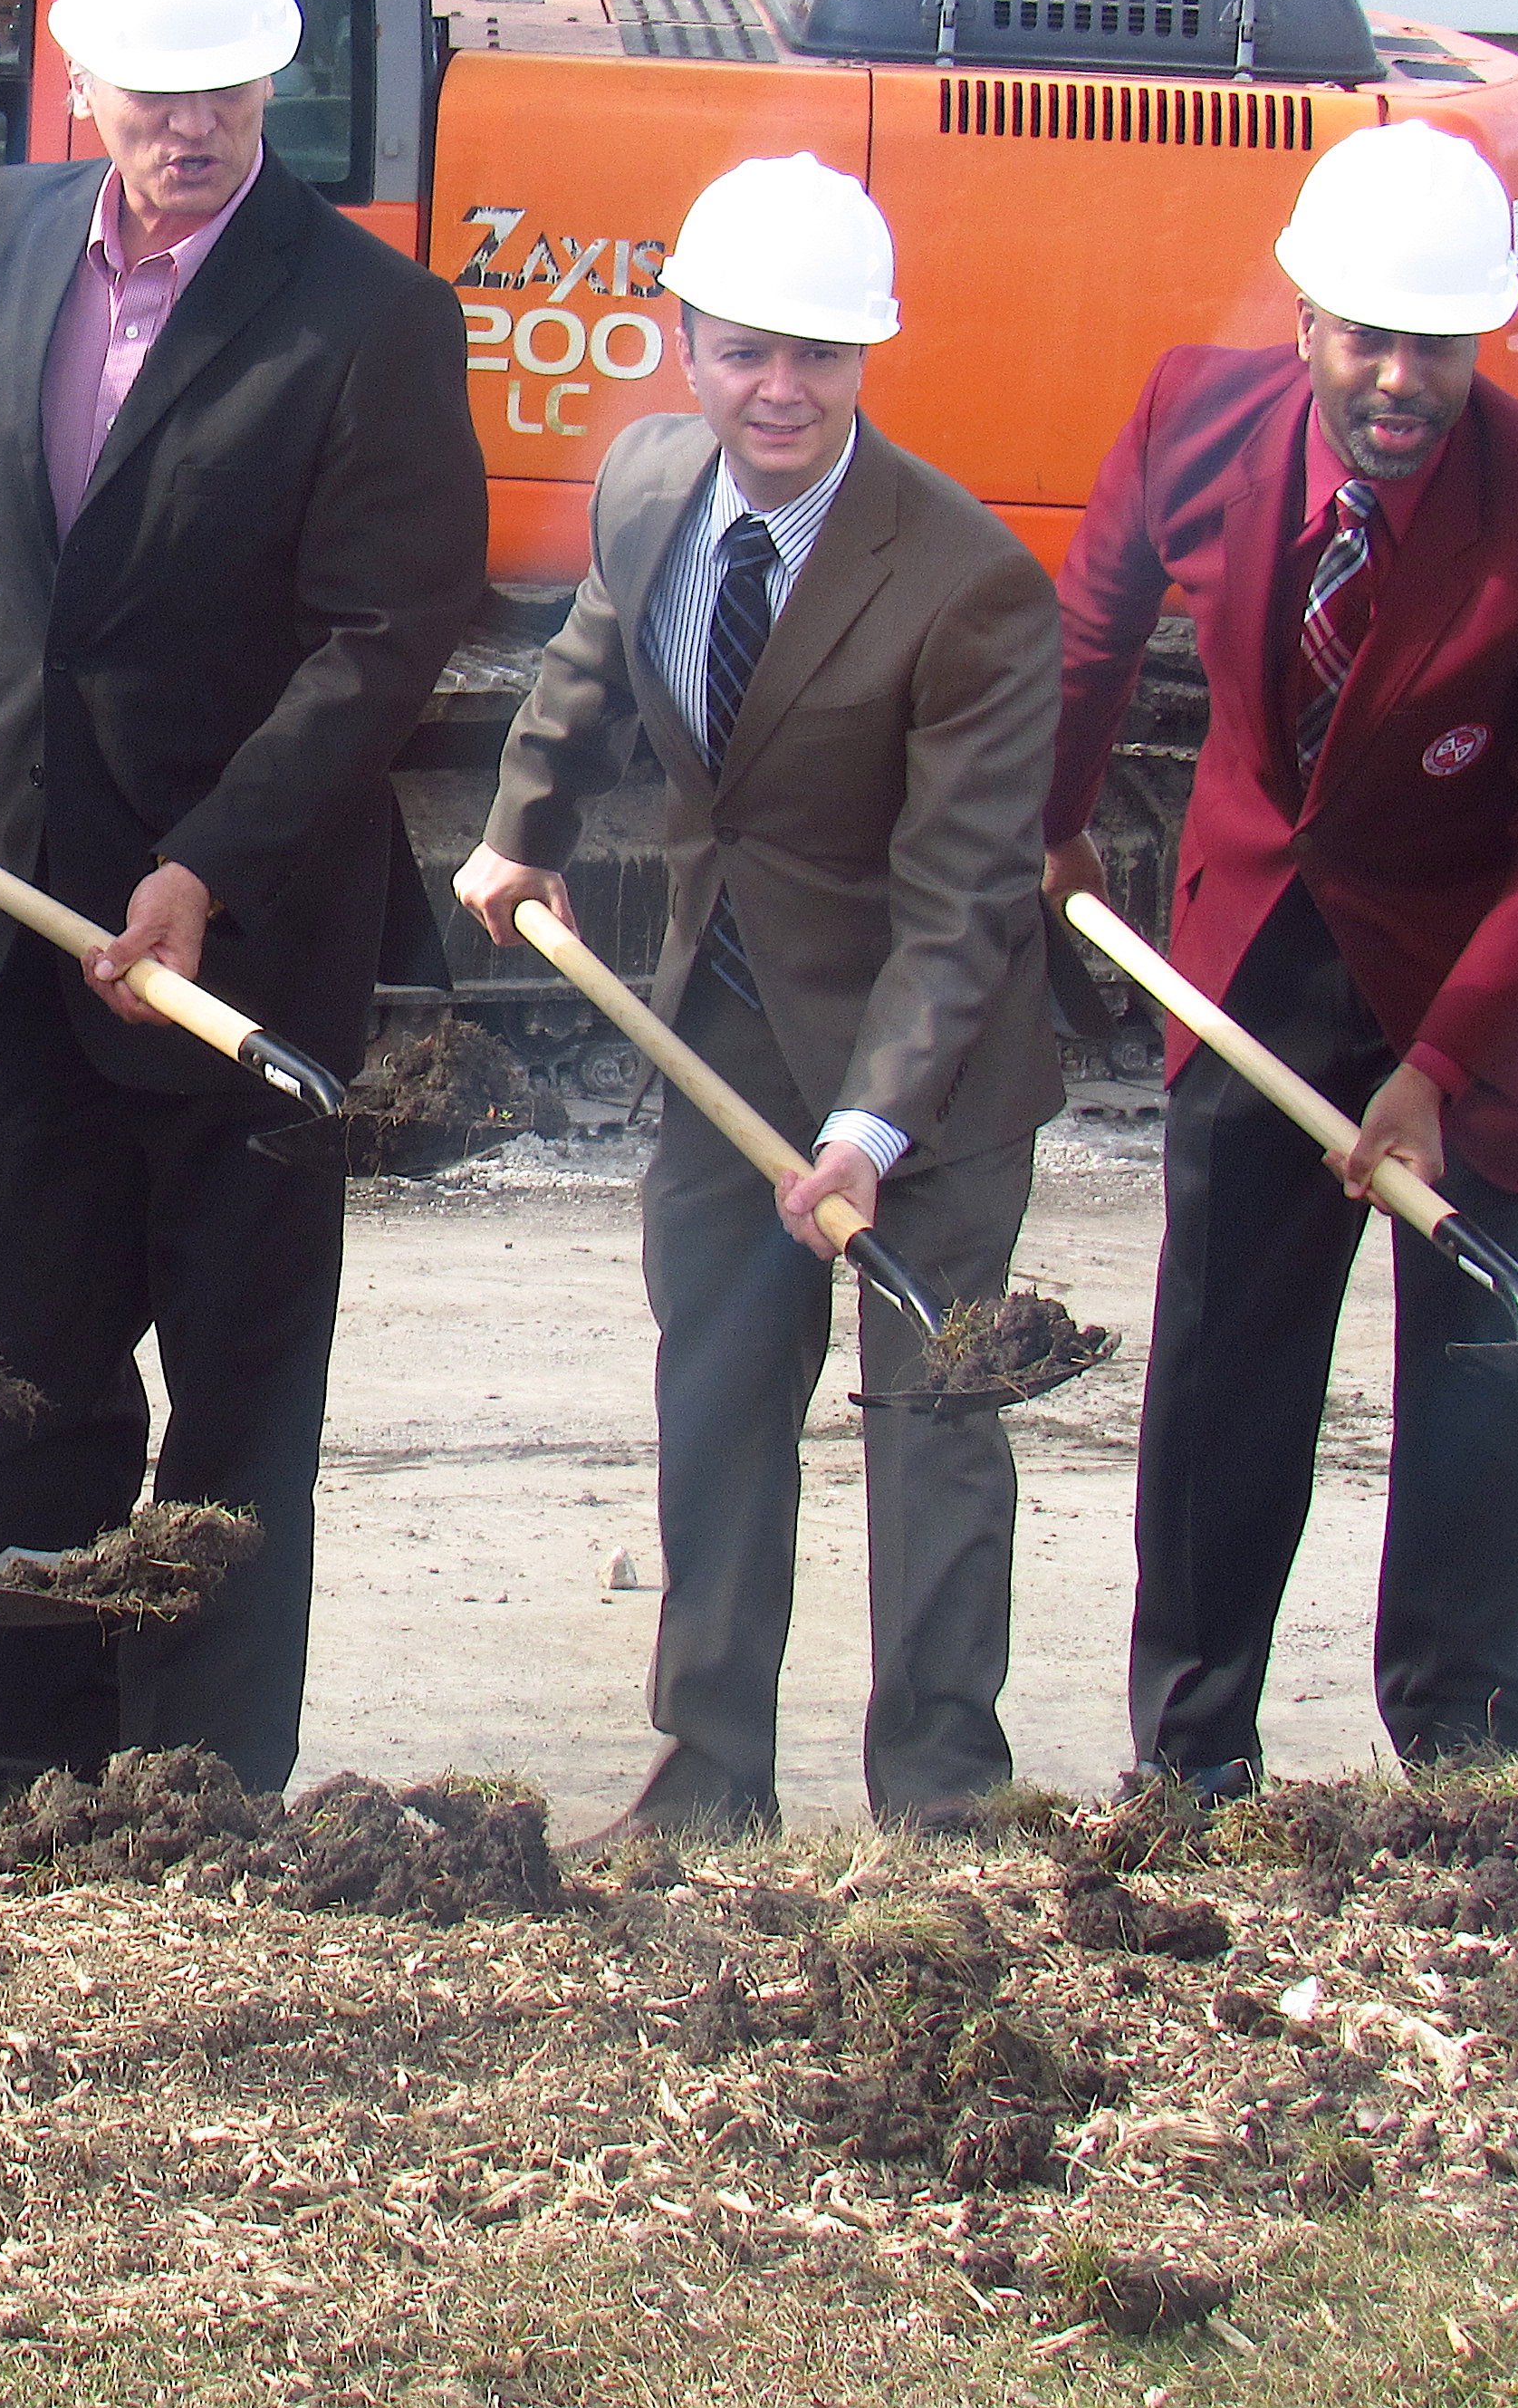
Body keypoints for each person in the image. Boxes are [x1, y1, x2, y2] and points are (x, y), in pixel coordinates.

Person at [0, 0, 485, 1816]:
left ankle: (196, 1785)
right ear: (77, 74)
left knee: (239, 1401)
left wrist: (212, 862)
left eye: (230, 95)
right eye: (154, 93)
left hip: (246, 955)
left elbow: (384, 646)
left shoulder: (369, 317)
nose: (191, 132)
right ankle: (26, 1771)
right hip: (17, 933)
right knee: (12, 1376)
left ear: (275, 82)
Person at [1048, 121, 1518, 1791]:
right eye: (1372, 338)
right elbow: (1092, 630)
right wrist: (1050, 827)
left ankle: (1467, 1759)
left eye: (1442, 347)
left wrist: (1441, 1070)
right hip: (1255, 955)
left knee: (1473, 1378)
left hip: (1482, 987)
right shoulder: (1196, 415)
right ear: (1309, 317)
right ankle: (1191, 1763)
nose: (1404, 380)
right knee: (1223, 1371)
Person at [456, 156, 1062, 1838]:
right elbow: (589, 660)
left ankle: (942, 1787)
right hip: (717, 1024)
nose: (778, 390)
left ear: (867, 357)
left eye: (816, 356)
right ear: (687, 345)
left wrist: (870, 1127)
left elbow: (964, 904)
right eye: (742, 352)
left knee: (931, 1417)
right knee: (718, 1393)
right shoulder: (651, 481)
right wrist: (522, 832)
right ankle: (712, 1773)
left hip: (919, 1068)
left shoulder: (968, 583)